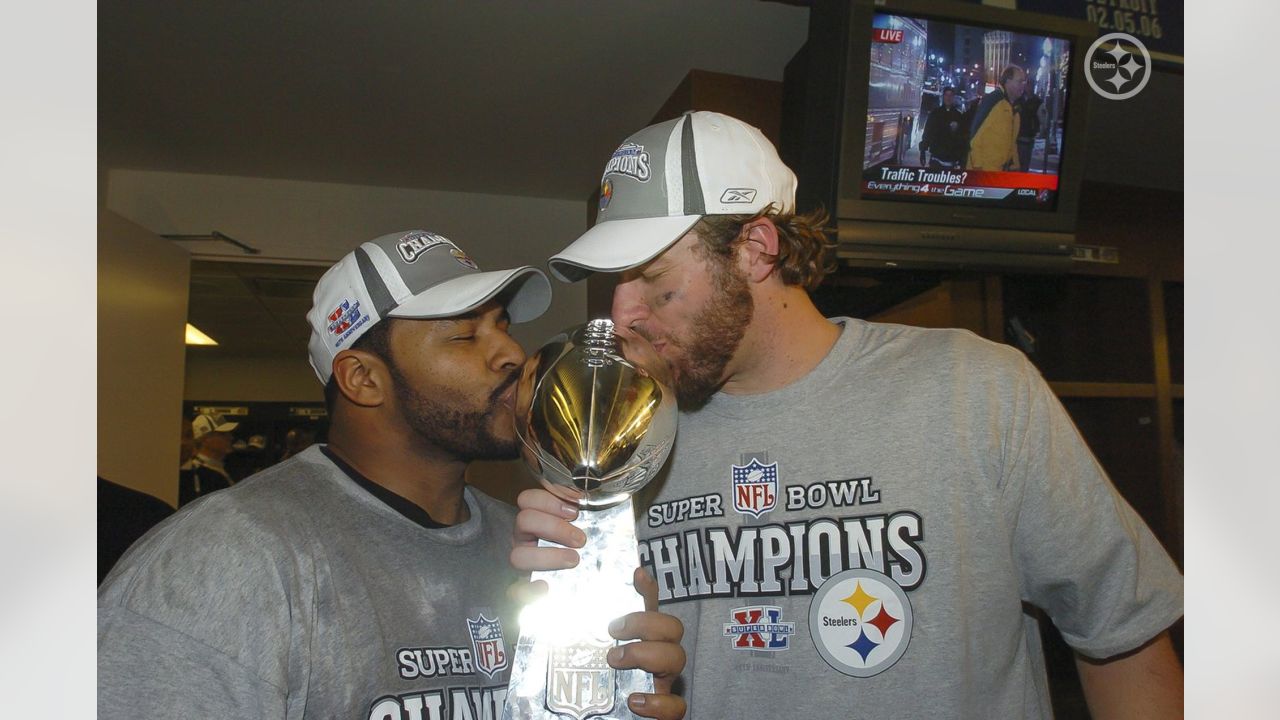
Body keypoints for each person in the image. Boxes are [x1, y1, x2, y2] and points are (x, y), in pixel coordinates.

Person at [510, 111, 1183, 718]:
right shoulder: (622, 435)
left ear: (756, 248)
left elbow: (1123, 642)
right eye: (614, 283)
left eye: (653, 279)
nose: (623, 312)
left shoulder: (976, 388)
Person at [99, 230, 687, 720]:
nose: (510, 352)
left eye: (503, 324)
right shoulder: (222, 561)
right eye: (465, 333)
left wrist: (618, 697)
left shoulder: (538, 545)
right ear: (362, 379)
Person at [968, 65, 1027, 171]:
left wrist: (1015, 165)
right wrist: (978, 168)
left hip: (1001, 172)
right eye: (1020, 81)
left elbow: (1011, 142)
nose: (1023, 85)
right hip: (984, 171)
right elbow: (975, 136)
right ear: (1008, 81)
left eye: (1024, 82)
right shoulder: (993, 101)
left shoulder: (1015, 108)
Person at [177, 412, 238, 506]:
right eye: (223, 434)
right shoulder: (195, 474)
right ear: (205, 438)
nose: (230, 437)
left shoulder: (227, 469)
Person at [918, 87, 968, 169]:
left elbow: (963, 138)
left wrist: (962, 158)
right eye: (946, 95)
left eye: (950, 95)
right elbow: (928, 133)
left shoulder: (959, 116)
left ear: (953, 98)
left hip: (952, 161)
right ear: (943, 97)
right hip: (936, 158)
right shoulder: (935, 114)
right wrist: (923, 151)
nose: (948, 98)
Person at [1016, 89, 1047, 173]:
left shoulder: (1037, 102)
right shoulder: (1018, 99)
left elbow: (1043, 119)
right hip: (1016, 137)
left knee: (1024, 163)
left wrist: (1043, 130)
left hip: (1027, 137)